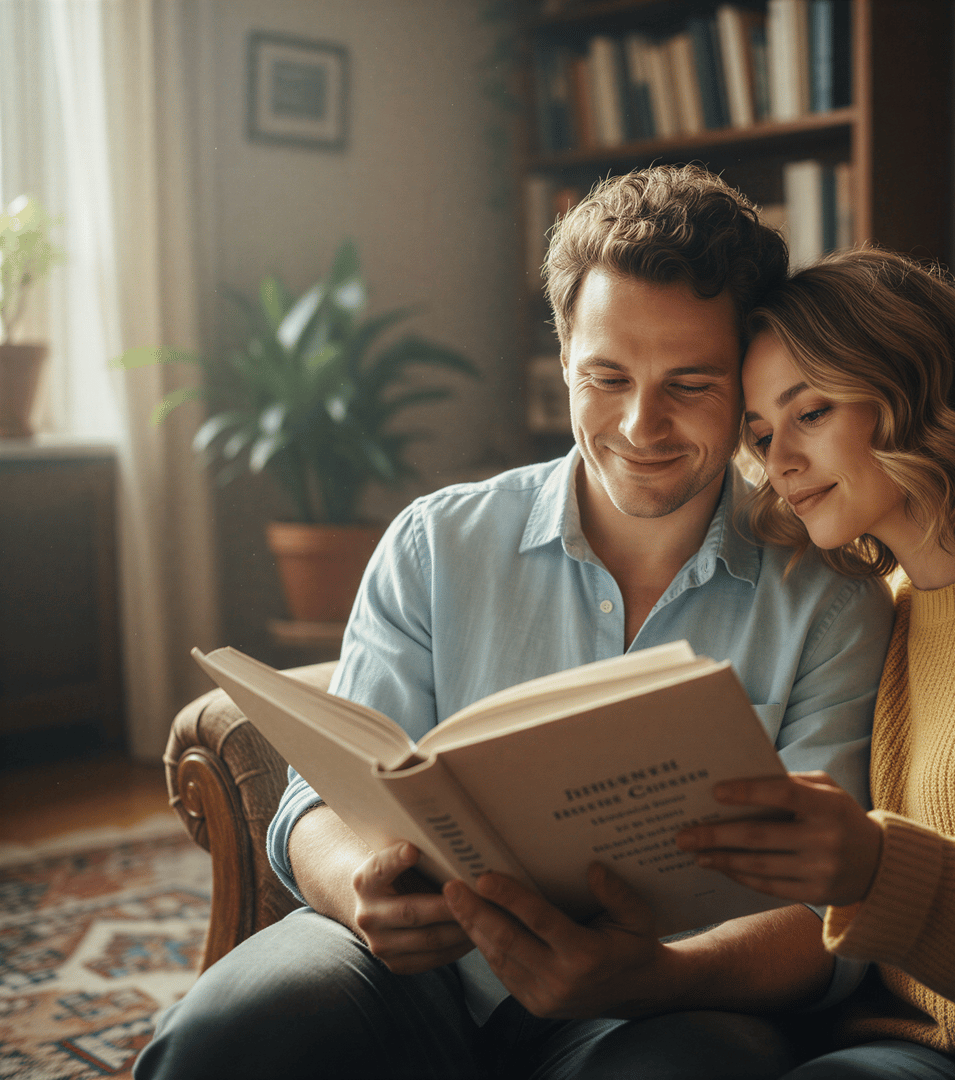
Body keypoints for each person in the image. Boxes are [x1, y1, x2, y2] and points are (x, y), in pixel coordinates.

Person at [135, 166, 895, 1080]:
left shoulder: (830, 599)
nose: (641, 424)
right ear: (564, 357)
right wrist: (358, 890)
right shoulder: (436, 544)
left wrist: (657, 975)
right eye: (606, 377)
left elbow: (828, 915)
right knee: (224, 1033)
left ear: (748, 382)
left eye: (690, 383)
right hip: (409, 969)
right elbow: (314, 801)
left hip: (661, 998)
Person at [676, 248, 955, 1080]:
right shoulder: (876, 608)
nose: (779, 462)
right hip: (897, 1043)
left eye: (811, 412)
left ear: (912, 388)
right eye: (761, 435)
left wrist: (875, 867)